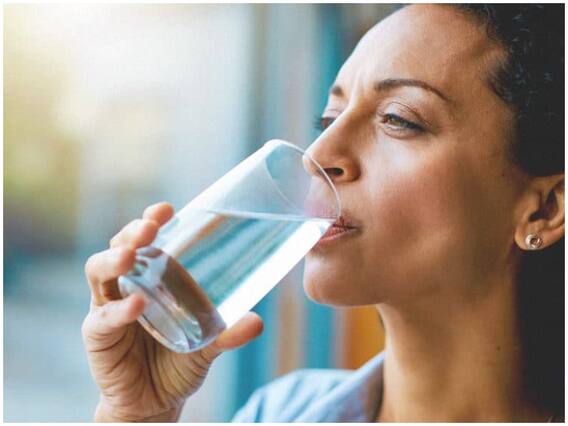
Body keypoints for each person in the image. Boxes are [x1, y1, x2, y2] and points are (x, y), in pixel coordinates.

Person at [82, 4, 564, 422]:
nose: (318, 154)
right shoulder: (278, 413)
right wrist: (137, 417)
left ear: (544, 210)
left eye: (398, 119)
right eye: (329, 119)